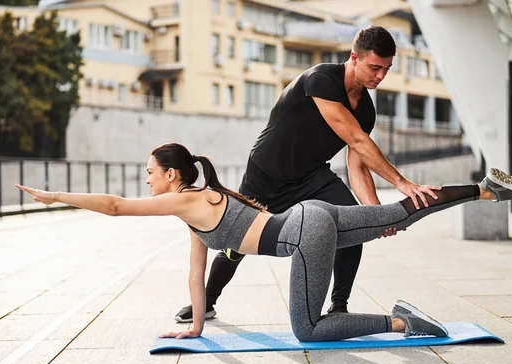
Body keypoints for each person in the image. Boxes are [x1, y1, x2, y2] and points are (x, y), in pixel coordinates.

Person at [16, 143, 512, 342]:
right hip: (315, 217)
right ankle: (484, 189)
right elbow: (197, 274)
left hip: (308, 230)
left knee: (308, 330)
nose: (146, 179)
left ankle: (402, 321)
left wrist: (53, 195)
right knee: (399, 213)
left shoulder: (184, 199)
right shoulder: (198, 206)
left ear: (173, 176)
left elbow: (114, 206)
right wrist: (196, 326)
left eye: (151, 172)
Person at [175, 25, 440, 323]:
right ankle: (207, 302)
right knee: (235, 244)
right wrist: (402, 183)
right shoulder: (321, 80)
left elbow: (357, 163)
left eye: (386, 69)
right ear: (354, 57)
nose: (380, 76)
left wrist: (375, 213)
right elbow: (356, 140)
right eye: (375, 67)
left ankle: (339, 307)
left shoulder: (366, 110)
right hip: (267, 174)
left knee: (353, 222)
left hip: (312, 177)